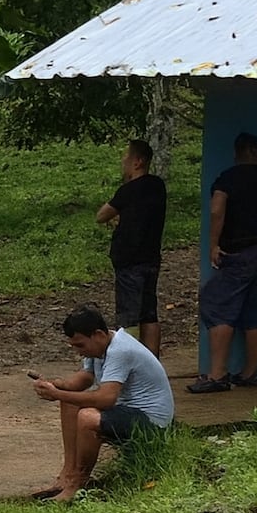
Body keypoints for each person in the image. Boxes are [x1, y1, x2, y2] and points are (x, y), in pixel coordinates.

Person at [31, 304, 174, 502]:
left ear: (98, 334)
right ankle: (68, 474)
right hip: (126, 410)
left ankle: (78, 482)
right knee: (70, 401)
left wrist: (58, 394)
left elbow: (106, 399)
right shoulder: (100, 348)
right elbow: (85, 377)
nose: (78, 351)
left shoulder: (120, 350)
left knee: (87, 418)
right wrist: (59, 385)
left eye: (80, 345)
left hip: (151, 422)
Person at [188, 132, 257, 393]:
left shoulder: (228, 178)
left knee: (216, 303)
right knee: (256, 313)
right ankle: (249, 373)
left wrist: (214, 245)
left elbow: (216, 209)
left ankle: (217, 375)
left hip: (239, 254)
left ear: (237, 154)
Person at [96, 138, 167, 357]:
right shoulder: (157, 186)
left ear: (138, 162)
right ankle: (152, 364)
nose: (123, 161)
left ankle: (128, 365)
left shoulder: (129, 190)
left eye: (126, 157)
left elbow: (102, 215)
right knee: (149, 315)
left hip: (129, 261)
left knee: (128, 317)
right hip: (151, 258)